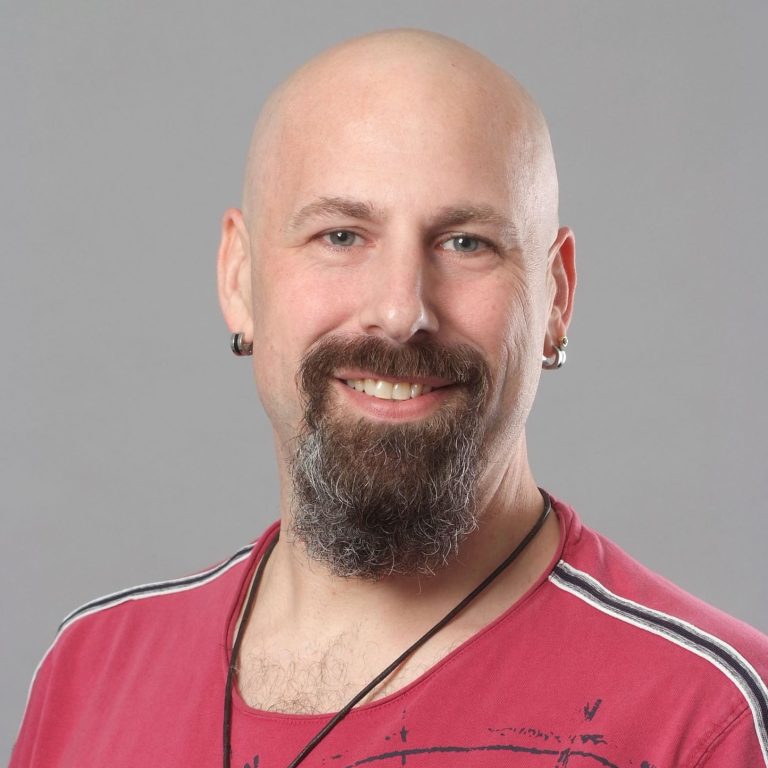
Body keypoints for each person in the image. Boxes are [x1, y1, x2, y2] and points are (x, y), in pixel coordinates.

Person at [11, 29, 768, 768]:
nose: (402, 311)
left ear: (556, 298)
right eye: (341, 236)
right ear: (239, 279)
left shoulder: (710, 717)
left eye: (466, 242)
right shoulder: (90, 669)